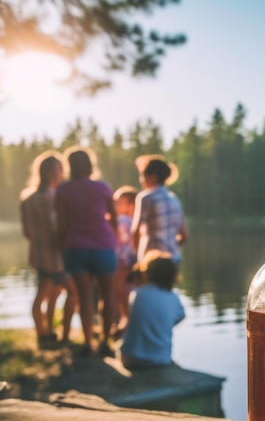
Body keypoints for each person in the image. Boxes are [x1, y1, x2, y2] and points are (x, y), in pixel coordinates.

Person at [55, 146, 118, 357]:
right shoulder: (103, 187)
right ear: (90, 165)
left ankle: (88, 342)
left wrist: (61, 245)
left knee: (84, 296)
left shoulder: (63, 190)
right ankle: (107, 342)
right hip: (103, 246)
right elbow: (114, 219)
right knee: (107, 297)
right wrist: (115, 239)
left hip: (75, 247)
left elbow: (62, 224)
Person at [20, 151, 78, 346]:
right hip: (56, 257)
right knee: (73, 291)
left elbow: (27, 231)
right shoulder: (53, 198)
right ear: (54, 172)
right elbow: (58, 228)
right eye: (60, 170)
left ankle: (43, 334)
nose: (63, 174)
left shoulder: (28, 198)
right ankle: (64, 334)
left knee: (46, 294)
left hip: (38, 255)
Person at [120, 254, 185, 369]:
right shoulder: (173, 298)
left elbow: (135, 316)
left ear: (147, 273)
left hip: (130, 359)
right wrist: (164, 321)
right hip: (160, 360)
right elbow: (181, 316)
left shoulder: (137, 294)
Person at [131, 155, 188, 267]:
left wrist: (139, 260)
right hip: (174, 259)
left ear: (153, 176)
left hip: (152, 261)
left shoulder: (146, 198)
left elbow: (136, 231)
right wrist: (169, 244)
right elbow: (184, 236)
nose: (141, 180)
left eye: (143, 175)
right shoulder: (175, 199)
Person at [112, 185, 138, 333]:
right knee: (129, 289)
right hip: (133, 260)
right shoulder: (136, 220)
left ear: (130, 205)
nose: (115, 206)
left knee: (120, 289)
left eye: (118, 202)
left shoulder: (122, 220)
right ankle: (129, 320)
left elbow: (123, 244)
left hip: (122, 261)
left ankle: (125, 320)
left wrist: (122, 260)